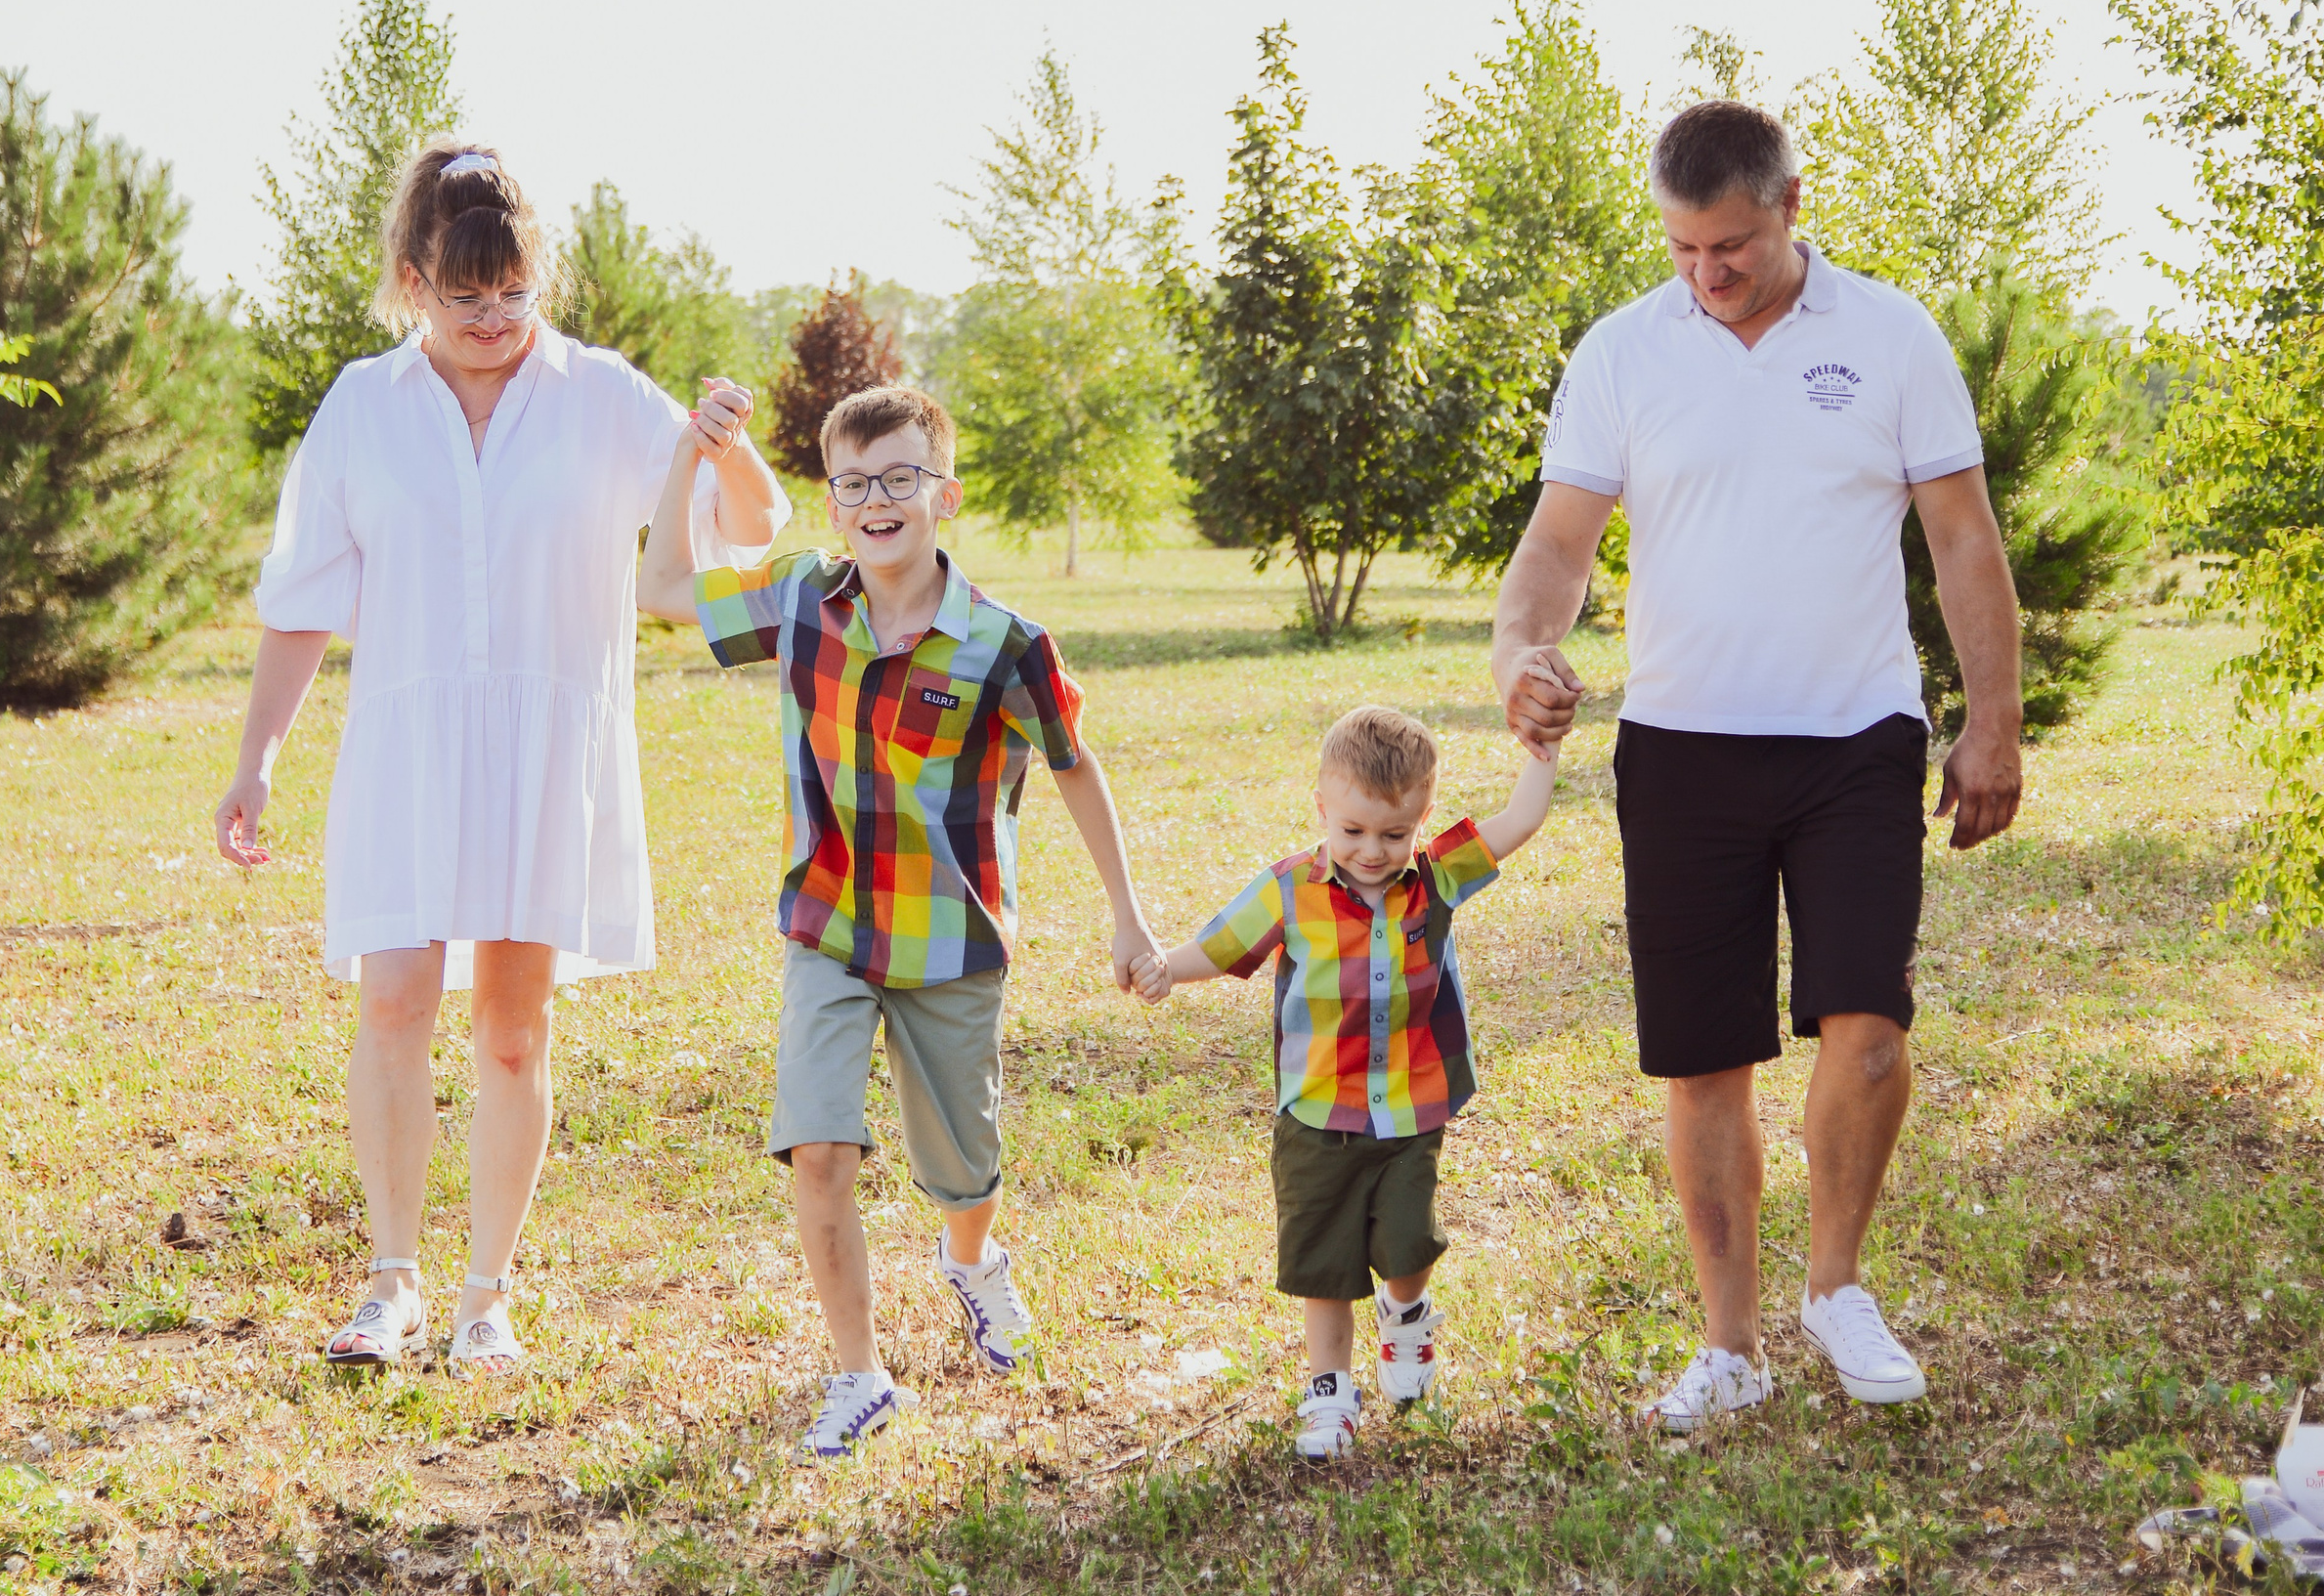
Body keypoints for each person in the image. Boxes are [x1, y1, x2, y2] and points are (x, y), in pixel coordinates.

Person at [211, 142, 791, 1376]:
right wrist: (258, 757)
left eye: (514, 294)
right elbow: (302, 599)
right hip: (407, 750)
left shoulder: (601, 394)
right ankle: (391, 1286)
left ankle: (487, 1297)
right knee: (393, 1005)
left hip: (547, 751)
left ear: (541, 280)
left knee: (515, 1030)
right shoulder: (362, 406)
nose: (492, 320)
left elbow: (744, 530)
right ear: (414, 278)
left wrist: (724, 442)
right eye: (465, 296)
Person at [1491, 101, 2024, 1430]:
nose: (1705, 273)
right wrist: (1520, 649)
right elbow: (1559, 542)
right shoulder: (1623, 351)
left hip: (1855, 737)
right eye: (1681, 248)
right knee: (1704, 1059)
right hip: (1683, 748)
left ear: (1791, 202)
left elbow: (1963, 537)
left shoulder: (1891, 336)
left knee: (1869, 1025)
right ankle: (1728, 1347)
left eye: (1728, 245)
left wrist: (1993, 720)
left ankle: (1836, 1287)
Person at [636, 384, 1159, 1459]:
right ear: (833, 504)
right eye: (855, 484)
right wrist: (697, 451)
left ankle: (972, 1259)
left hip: (950, 938)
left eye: (900, 479)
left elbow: (1074, 766)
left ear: (943, 495)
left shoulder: (1005, 644)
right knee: (819, 1149)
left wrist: (1128, 916)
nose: (877, 501)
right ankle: (859, 1374)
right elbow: (662, 587)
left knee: (962, 1165)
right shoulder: (799, 600)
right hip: (828, 922)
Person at [1128, 705, 1558, 1459]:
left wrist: (1543, 755)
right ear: (1322, 809)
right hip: (1318, 1111)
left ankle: (1406, 1314)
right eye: (1353, 830)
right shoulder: (1291, 888)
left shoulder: (1435, 877)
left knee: (1409, 1240)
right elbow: (1224, 946)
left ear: (1421, 820)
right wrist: (1166, 966)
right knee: (1324, 1260)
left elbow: (1517, 821)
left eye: (1394, 834)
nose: (1371, 850)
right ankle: (1329, 1389)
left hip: (1412, 1107)